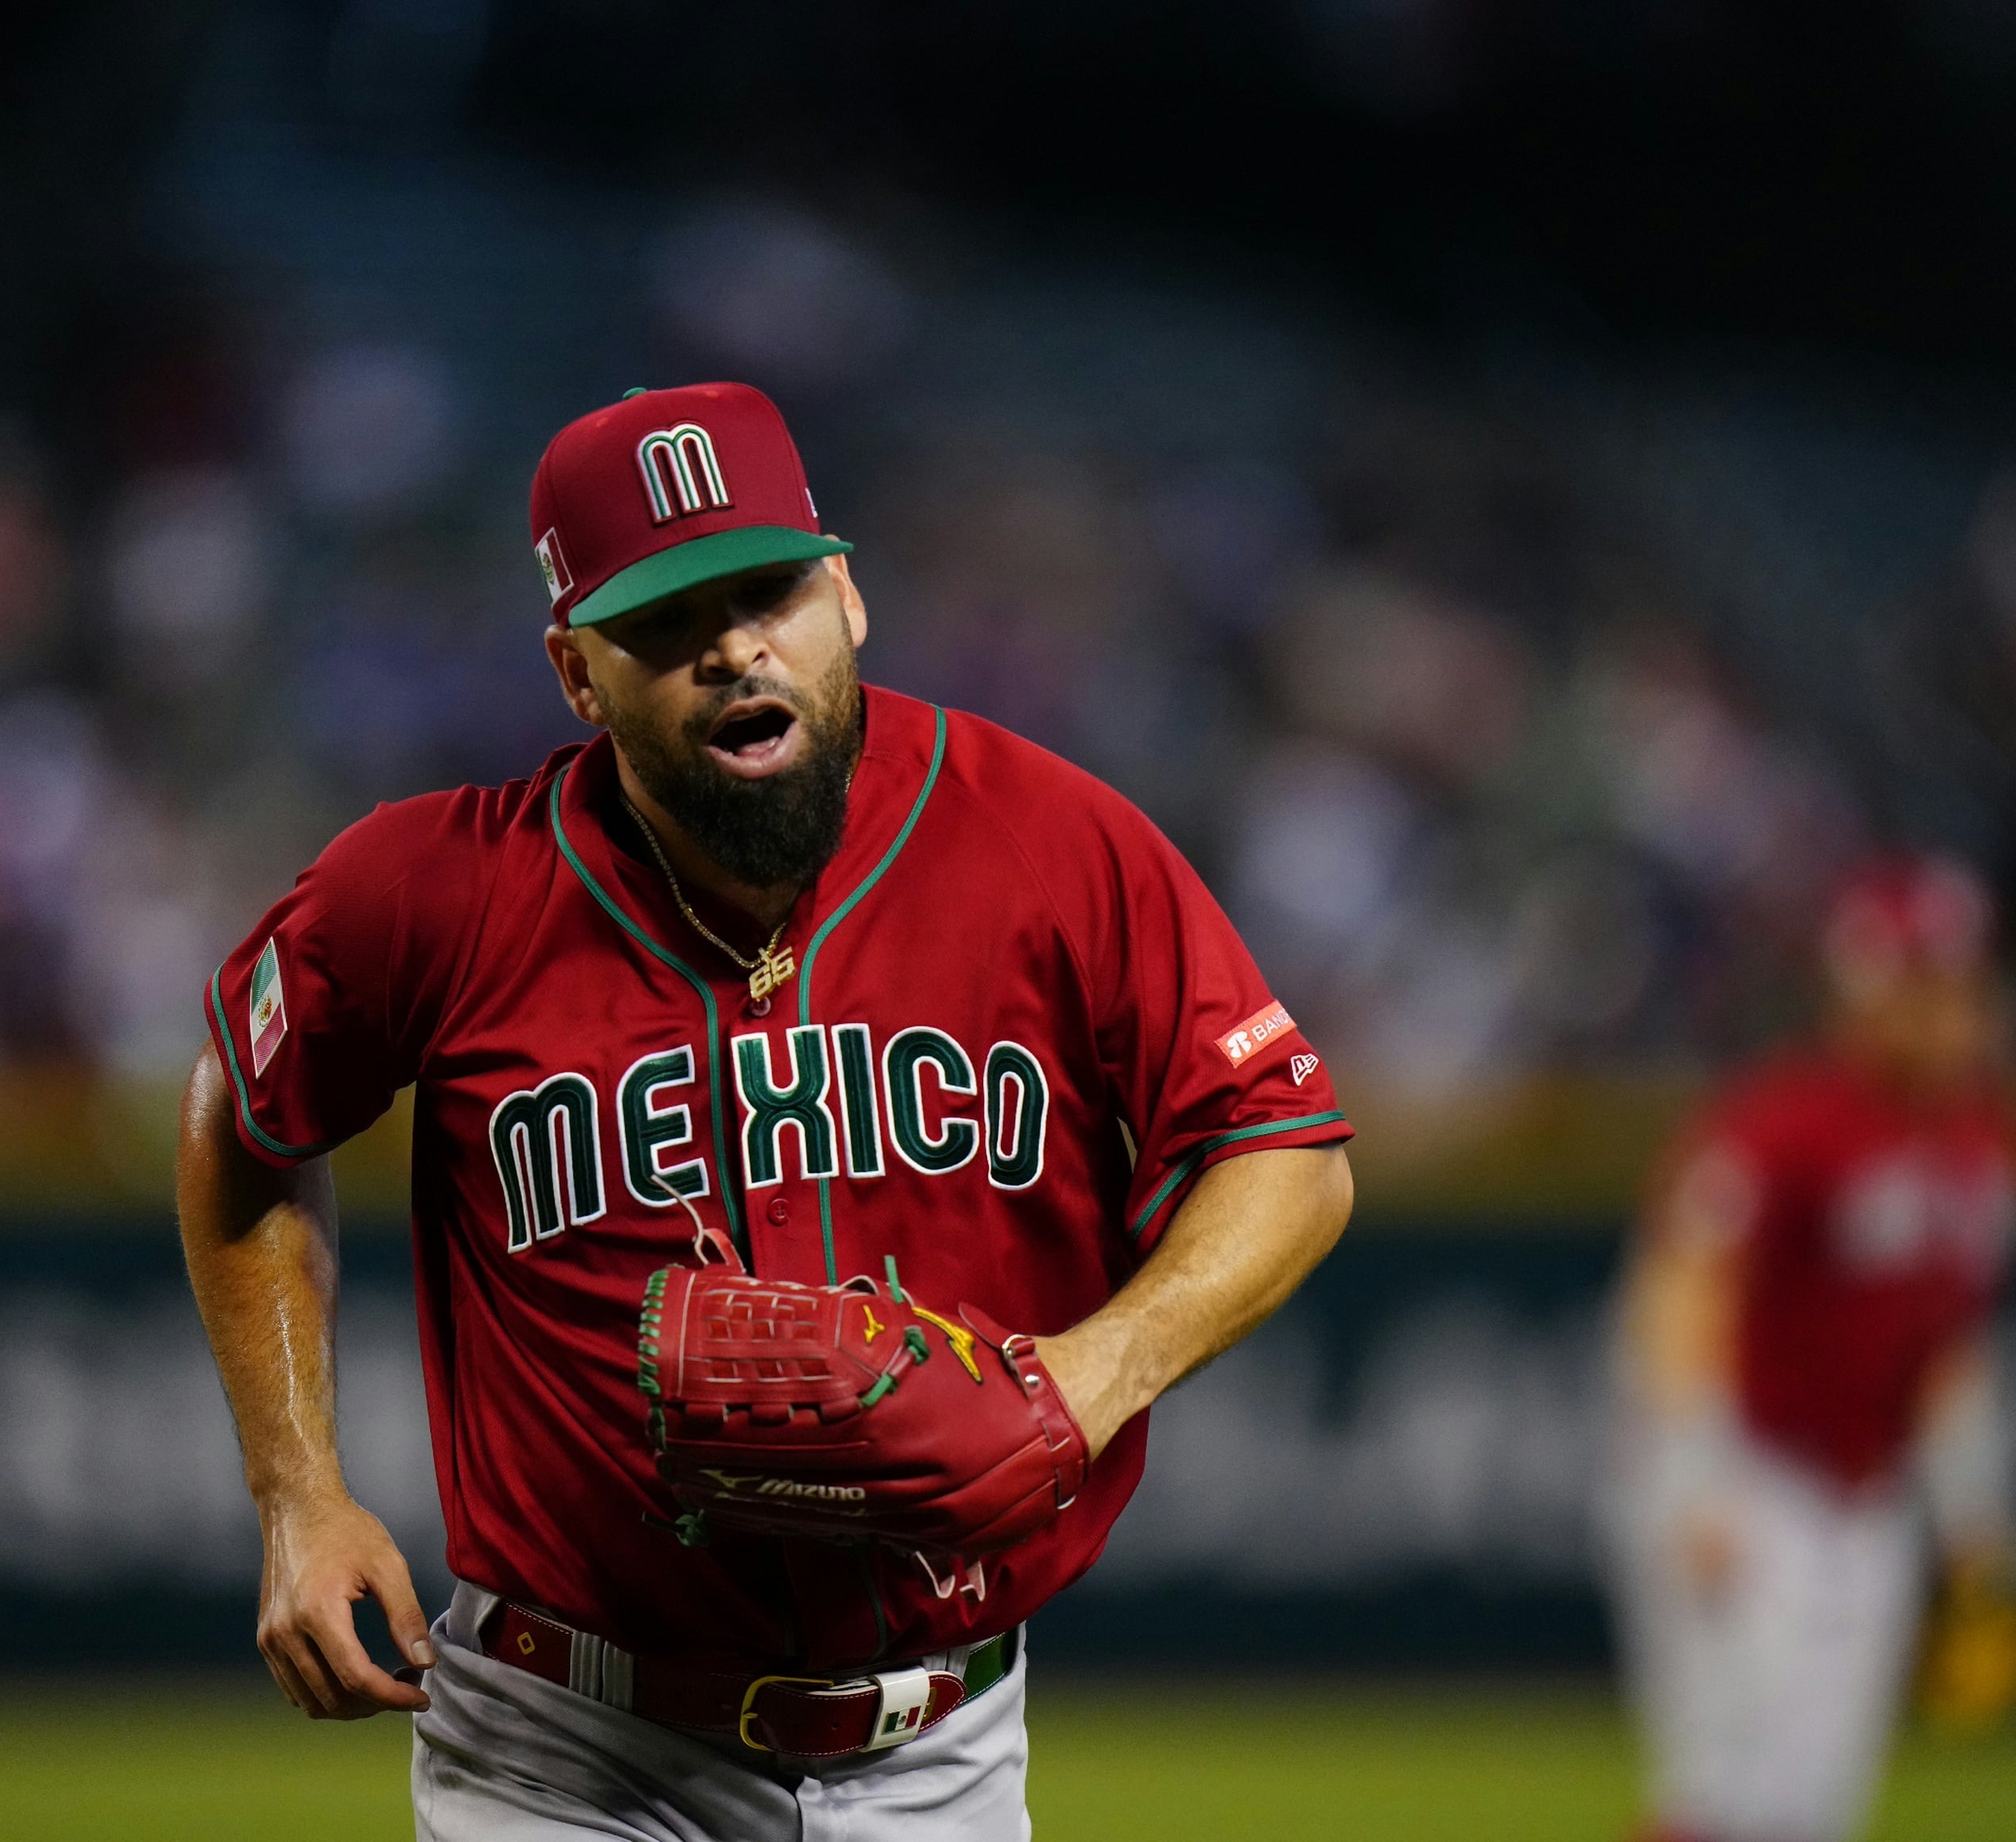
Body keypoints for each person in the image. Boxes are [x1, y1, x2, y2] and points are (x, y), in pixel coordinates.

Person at [176, 381, 1356, 1840]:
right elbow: (242, 1109)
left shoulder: (1052, 842)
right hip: (567, 1752)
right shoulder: (434, 891)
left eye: (769, 590)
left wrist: (1095, 1373)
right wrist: (298, 1491)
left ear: (848, 595)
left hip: (943, 1746)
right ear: (574, 673)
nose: (735, 644)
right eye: (667, 620)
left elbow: (1285, 1150)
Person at [1606, 854, 2016, 1842]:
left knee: (1809, 1814)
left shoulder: (1986, 1140)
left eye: (1964, 981)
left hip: (1867, 1498)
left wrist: (1975, 1523)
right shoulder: (1789, 1120)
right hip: (1750, 1472)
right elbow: (1680, 1290)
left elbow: (1949, 1351)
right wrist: (1690, 1480)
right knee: (1725, 1801)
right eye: (1924, 983)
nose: (1953, 1009)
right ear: (1865, 992)